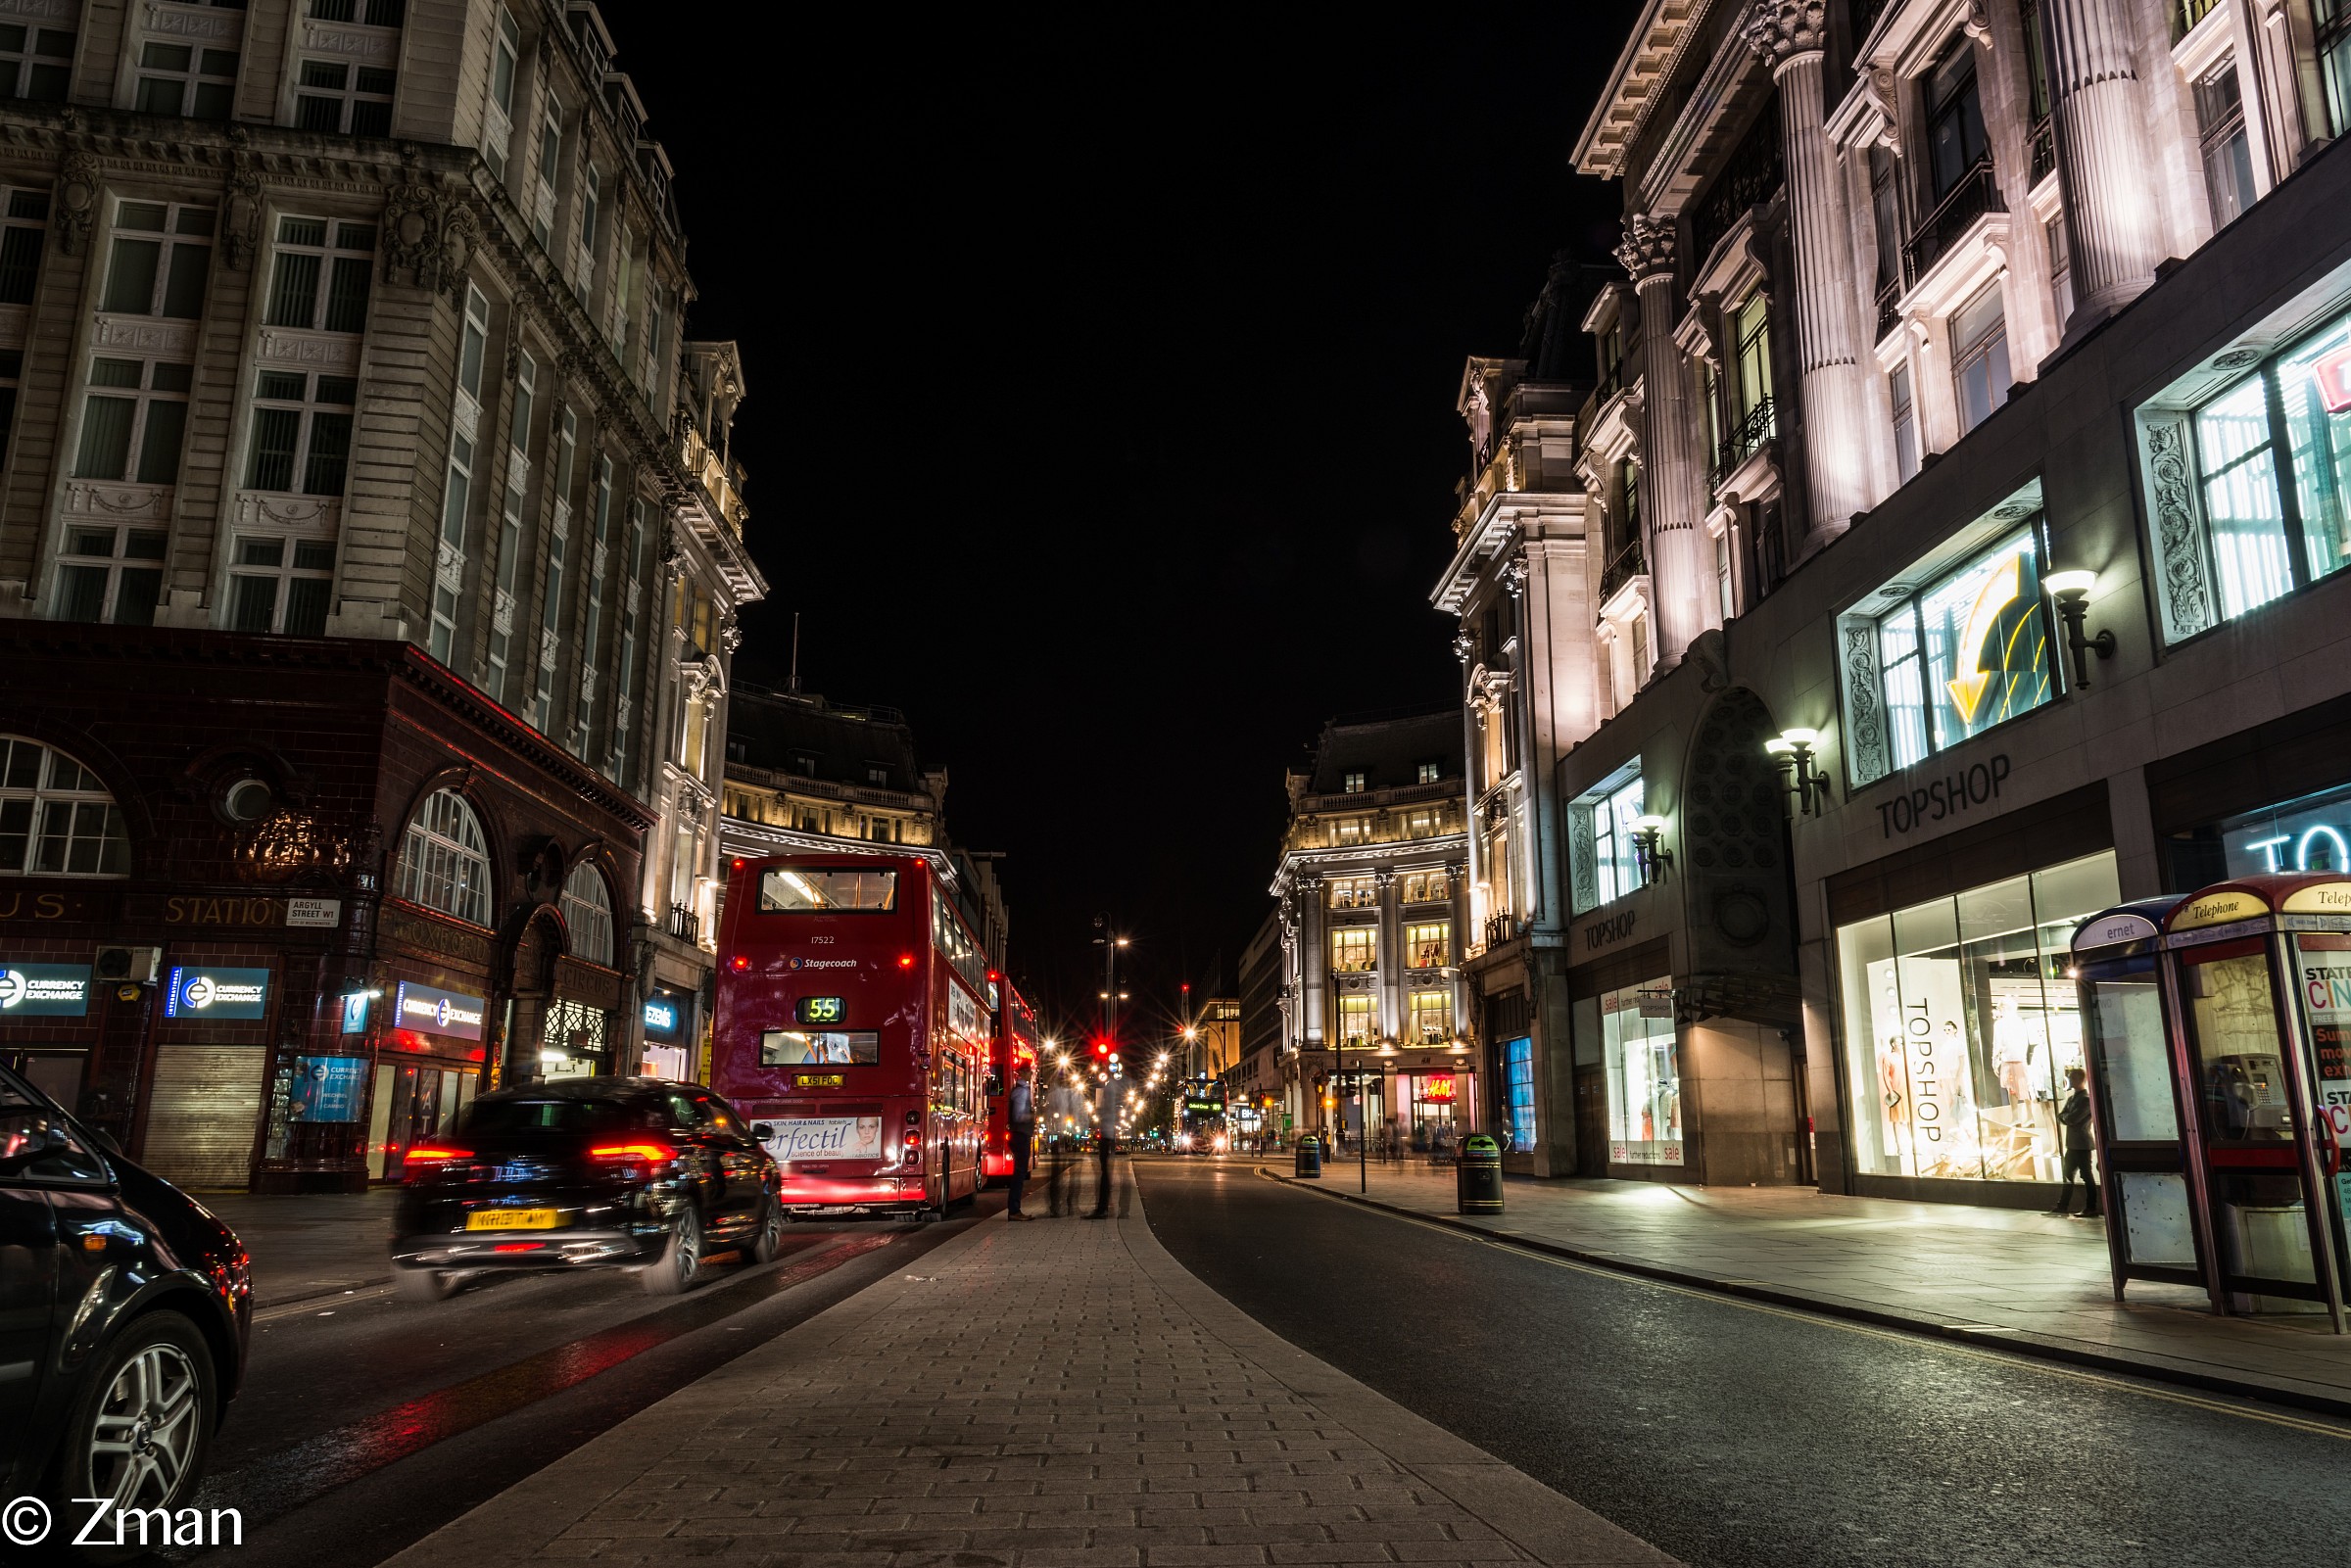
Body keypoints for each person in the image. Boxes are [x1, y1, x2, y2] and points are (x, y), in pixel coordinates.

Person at [2050, 1066, 2100, 1216]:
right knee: (2067, 1175)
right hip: (2073, 1144)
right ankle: (2063, 1205)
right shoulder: (2072, 1098)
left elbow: (2071, 1118)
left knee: (2086, 1176)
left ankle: (2091, 1208)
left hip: (2082, 1144)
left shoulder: (2085, 1099)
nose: (2070, 1080)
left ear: (2079, 1079)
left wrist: (2065, 1117)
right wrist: (2066, 1117)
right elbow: (2062, 1116)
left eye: (2072, 1077)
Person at [1088, 1069, 1125, 1218]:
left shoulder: (1110, 1089)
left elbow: (1108, 1114)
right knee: (1104, 1173)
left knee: (1104, 1173)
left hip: (1107, 1136)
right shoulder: (1111, 1088)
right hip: (1108, 1135)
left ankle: (1102, 1209)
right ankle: (1104, 1207)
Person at [1005, 1066, 1036, 1221]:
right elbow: (1018, 1116)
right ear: (1023, 1073)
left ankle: (1015, 1209)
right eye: (1029, 1072)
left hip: (1020, 1135)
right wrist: (1031, 1117)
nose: (1031, 1074)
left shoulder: (1021, 1090)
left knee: (1020, 1173)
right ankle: (1014, 1210)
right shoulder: (1021, 1091)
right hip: (1020, 1135)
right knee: (1019, 1173)